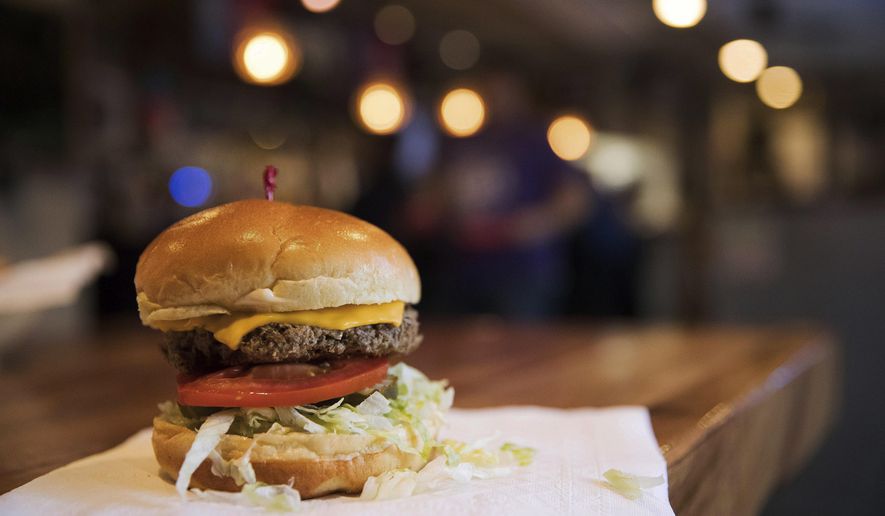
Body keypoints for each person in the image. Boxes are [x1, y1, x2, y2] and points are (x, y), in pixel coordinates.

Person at [405, 72, 589, 318]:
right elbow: (430, 198)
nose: (496, 98)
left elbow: (575, 200)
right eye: (489, 90)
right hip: (461, 269)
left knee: (524, 351)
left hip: (522, 272)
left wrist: (528, 225)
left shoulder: (536, 139)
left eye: (503, 91)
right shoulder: (459, 138)